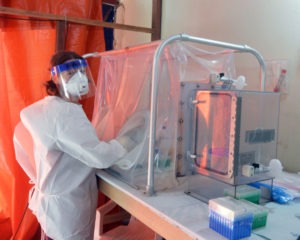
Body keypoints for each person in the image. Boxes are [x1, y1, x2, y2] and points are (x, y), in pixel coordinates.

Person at [13, 51, 135, 240]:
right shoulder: (66, 115)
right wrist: (125, 142)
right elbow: (99, 157)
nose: (79, 77)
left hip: (53, 207)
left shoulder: (46, 108)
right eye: (70, 73)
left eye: (81, 71)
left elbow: (22, 143)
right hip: (67, 211)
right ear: (55, 76)